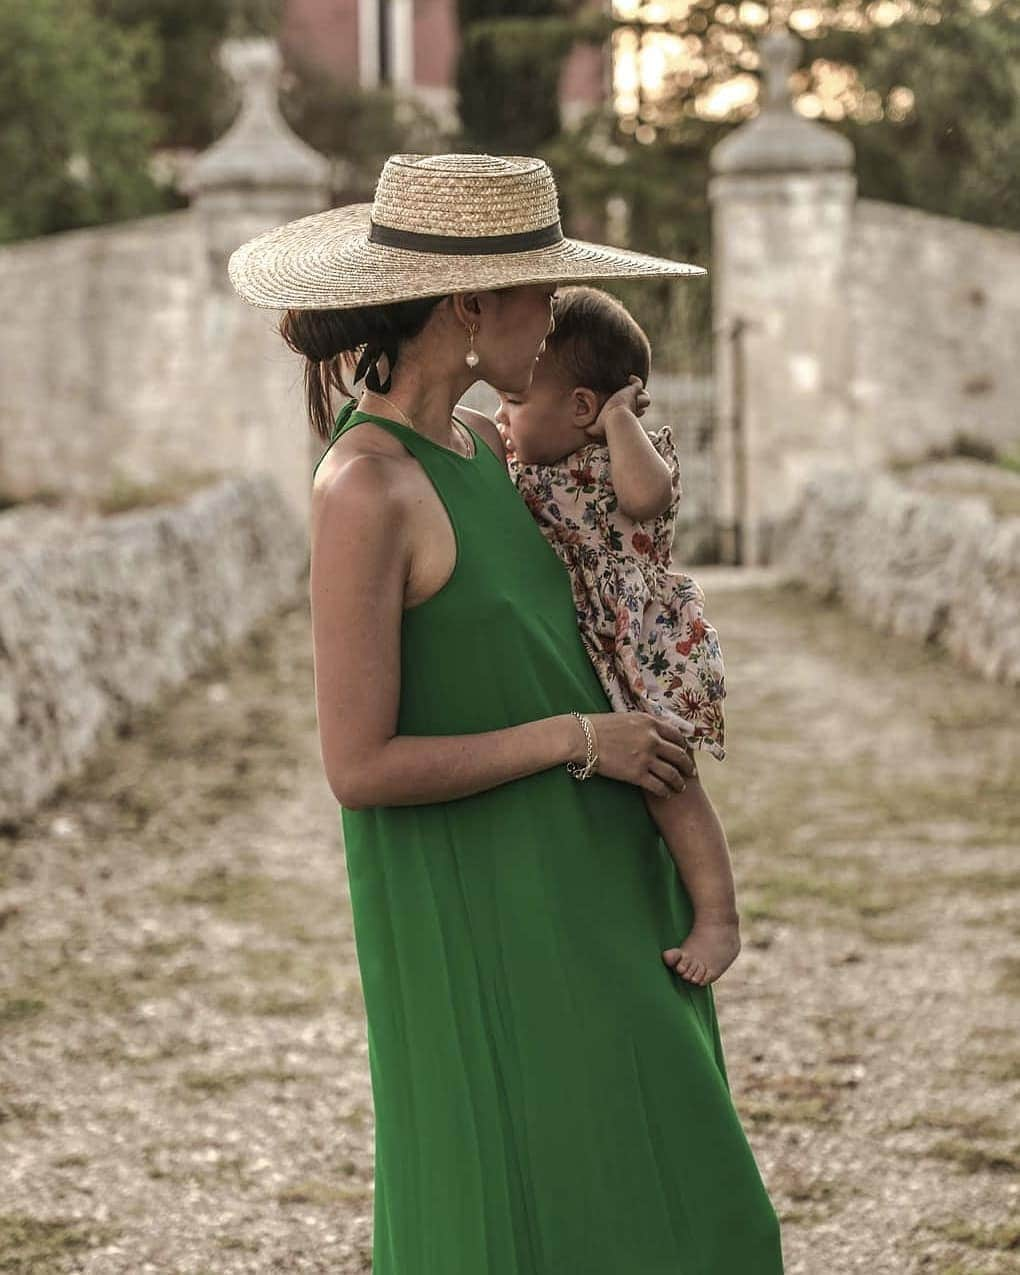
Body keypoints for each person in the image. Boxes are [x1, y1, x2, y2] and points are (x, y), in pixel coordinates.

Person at [228, 153, 784, 1274]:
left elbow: (620, 556)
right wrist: (583, 740)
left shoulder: (493, 449)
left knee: (687, 1198)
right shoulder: (366, 490)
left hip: (600, 881)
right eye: (540, 289)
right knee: (519, 1202)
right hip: (481, 902)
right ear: (470, 306)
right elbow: (358, 765)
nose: (560, 315)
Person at [494, 285, 740, 988]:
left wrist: (620, 420)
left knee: (669, 778)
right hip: (588, 641)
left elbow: (645, 499)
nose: (504, 419)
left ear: (579, 408)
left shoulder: (621, 457)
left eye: (516, 405)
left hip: (642, 641)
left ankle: (719, 917)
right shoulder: (530, 463)